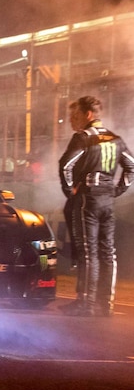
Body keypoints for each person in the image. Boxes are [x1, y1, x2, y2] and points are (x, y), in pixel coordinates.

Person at [58, 95, 134, 317]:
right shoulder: (115, 139)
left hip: (87, 199)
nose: (74, 119)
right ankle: (105, 304)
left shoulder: (82, 138)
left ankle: (86, 303)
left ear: (88, 114)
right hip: (108, 200)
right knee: (108, 252)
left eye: (76, 115)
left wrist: (70, 191)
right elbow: (131, 167)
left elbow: (65, 166)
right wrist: (117, 190)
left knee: (89, 252)